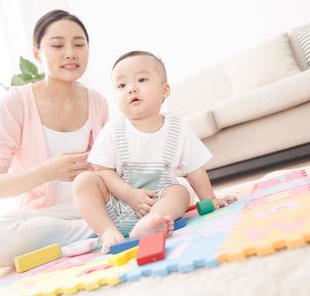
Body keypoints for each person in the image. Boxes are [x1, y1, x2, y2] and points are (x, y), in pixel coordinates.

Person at [0, 10, 108, 267]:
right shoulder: (15, 103)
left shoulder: (97, 102)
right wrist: (49, 171)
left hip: (95, 205)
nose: (70, 52)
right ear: (37, 54)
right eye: (57, 45)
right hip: (46, 217)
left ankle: (100, 227)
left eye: (79, 44)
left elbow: (111, 167)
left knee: (176, 186)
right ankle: (96, 232)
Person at [73, 51, 237, 253]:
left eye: (141, 79)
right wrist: (130, 195)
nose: (131, 89)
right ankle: (107, 232)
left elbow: (195, 169)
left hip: (158, 204)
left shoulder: (178, 128)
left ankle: (148, 225)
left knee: (180, 191)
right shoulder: (113, 130)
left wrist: (210, 199)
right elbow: (102, 170)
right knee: (84, 180)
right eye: (122, 85)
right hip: (118, 204)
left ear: (164, 90)